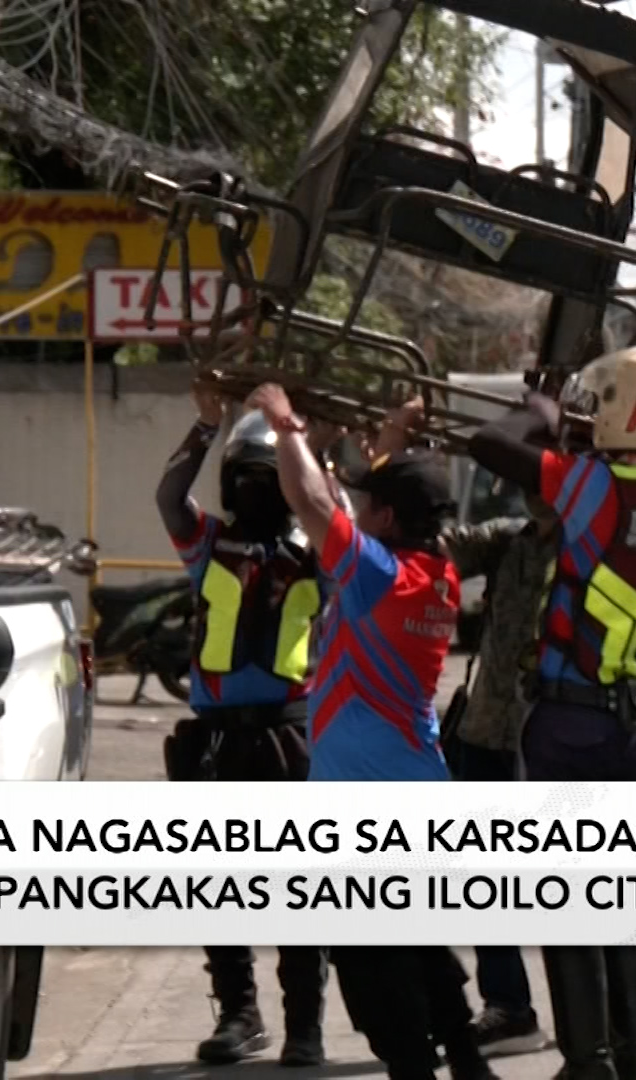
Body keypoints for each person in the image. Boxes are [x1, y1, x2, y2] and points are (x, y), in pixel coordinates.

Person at [467, 346, 636, 1080]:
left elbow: (488, 448)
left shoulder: (596, 490)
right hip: (635, 730)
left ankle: (588, 1061)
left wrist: (539, 411)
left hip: (569, 725)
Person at [245, 382, 495, 1080]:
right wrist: (396, 439)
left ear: (386, 518)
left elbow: (314, 505)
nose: (357, 507)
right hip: (415, 793)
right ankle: (470, 1064)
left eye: (371, 503)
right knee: (418, 945)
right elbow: (366, 504)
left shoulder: (378, 577)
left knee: (374, 971)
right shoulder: (436, 572)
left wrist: (284, 424)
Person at [370, 399, 552, 1059]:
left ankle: (538, 1014)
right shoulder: (514, 539)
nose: (533, 491)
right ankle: (510, 1005)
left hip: (539, 738)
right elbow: (421, 539)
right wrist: (395, 462)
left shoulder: (586, 545)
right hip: (484, 729)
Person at [155, 381, 329, 1068]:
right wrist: (204, 425)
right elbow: (169, 498)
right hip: (219, 741)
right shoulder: (210, 546)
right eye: (247, 478)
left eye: (272, 480)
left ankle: (304, 1025)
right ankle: (239, 1013)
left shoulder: (320, 553)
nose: (259, 491)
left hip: (292, 737)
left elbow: (335, 512)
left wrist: (300, 446)